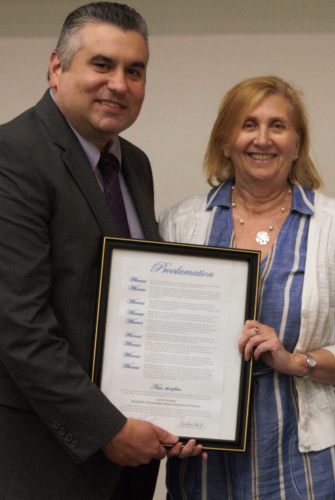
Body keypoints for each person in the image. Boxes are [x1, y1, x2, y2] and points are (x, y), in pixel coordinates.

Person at [0, 3, 202, 500]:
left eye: (135, 71)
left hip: (133, 459)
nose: (119, 83)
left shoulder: (134, 164)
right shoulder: (15, 154)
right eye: (102, 64)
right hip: (47, 461)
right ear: (56, 67)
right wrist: (106, 428)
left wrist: (185, 408)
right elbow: (19, 325)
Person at [159, 76, 335, 499]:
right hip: (203, 456)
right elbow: (161, 343)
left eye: (278, 126)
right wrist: (167, 418)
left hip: (303, 454)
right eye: (248, 124)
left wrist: (296, 361)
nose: (263, 139)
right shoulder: (180, 223)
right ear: (225, 141)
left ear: (297, 143)